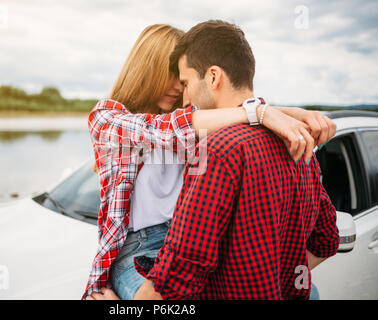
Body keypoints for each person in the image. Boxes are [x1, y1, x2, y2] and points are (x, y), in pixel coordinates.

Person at [84, 23, 336, 300]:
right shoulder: (107, 117)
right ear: (146, 71)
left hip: (185, 240)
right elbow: (164, 130)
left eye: (183, 80)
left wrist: (286, 113)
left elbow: (232, 106)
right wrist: (263, 112)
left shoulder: (201, 120)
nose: (178, 88)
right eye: (170, 76)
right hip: (137, 249)